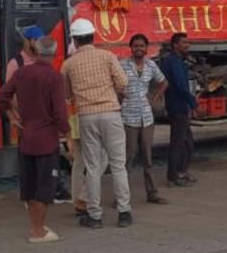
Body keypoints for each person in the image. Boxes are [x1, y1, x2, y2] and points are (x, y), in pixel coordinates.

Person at [61, 18, 132, 228]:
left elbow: (66, 94)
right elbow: (123, 83)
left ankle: (94, 216)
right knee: (118, 165)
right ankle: (124, 212)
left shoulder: (68, 64)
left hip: (86, 116)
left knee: (92, 168)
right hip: (111, 113)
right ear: (93, 36)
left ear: (74, 39)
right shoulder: (108, 56)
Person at [0, 36, 71, 243]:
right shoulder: (54, 77)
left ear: (36, 51)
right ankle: (38, 231)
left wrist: (13, 117)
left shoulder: (21, 73)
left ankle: (35, 226)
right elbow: (59, 112)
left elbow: (2, 96)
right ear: (55, 54)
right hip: (46, 139)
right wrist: (68, 136)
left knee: (29, 185)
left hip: (26, 136)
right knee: (44, 186)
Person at [120, 34, 169, 204]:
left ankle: (152, 193)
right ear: (131, 48)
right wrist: (121, 95)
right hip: (128, 117)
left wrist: (155, 98)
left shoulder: (150, 65)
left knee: (148, 157)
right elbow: (115, 83)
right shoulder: (123, 65)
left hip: (146, 117)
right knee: (128, 156)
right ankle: (123, 196)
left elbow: (164, 82)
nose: (138, 49)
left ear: (146, 48)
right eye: (135, 46)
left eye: (141, 46)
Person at [161, 32, 200, 187]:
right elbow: (180, 86)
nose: (187, 45)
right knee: (179, 142)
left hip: (179, 105)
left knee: (186, 142)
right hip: (177, 106)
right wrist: (193, 103)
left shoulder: (177, 61)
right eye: (184, 42)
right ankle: (173, 176)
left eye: (187, 42)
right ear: (175, 45)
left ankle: (181, 172)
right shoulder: (174, 62)